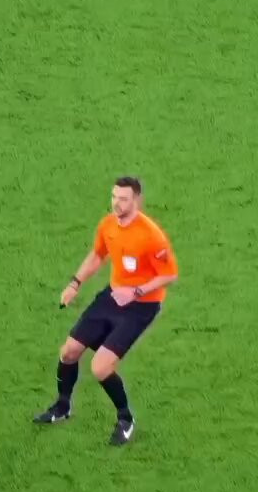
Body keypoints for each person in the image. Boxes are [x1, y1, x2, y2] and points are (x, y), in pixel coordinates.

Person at [33, 176, 179, 445]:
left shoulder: (151, 235)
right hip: (112, 297)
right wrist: (75, 284)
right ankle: (62, 406)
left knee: (100, 367)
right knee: (69, 352)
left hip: (141, 305)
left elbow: (170, 274)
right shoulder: (108, 225)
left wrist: (136, 292)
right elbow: (98, 255)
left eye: (123, 199)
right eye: (114, 197)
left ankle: (125, 419)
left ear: (136, 201)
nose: (116, 203)